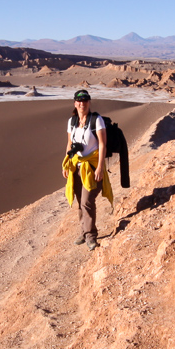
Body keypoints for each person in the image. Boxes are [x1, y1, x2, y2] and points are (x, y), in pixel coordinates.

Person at [61, 89, 112, 250]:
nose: (81, 104)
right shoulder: (72, 121)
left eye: (84, 101)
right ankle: (84, 232)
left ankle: (91, 236)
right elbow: (69, 144)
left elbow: (103, 144)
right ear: (75, 103)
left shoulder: (97, 120)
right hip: (76, 166)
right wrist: (67, 164)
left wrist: (100, 168)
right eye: (78, 101)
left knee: (87, 201)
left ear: (89, 102)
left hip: (91, 167)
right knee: (80, 202)